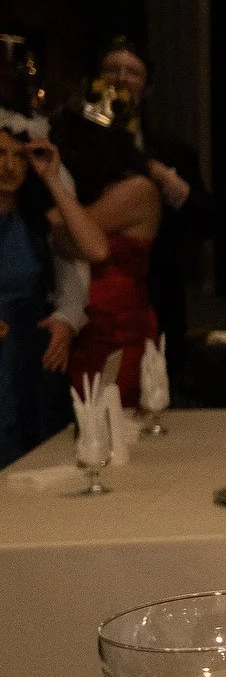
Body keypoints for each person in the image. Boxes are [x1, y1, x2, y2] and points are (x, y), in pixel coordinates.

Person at [0, 109, 111, 461]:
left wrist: (52, 180)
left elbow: (96, 249)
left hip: (29, 355)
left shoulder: (37, 221)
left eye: (19, 155)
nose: (9, 165)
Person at [97, 38, 210, 374]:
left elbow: (205, 220)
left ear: (146, 87)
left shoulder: (173, 150)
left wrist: (177, 188)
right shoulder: (74, 142)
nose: (121, 78)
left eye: (132, 72)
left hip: (159, 296)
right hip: (94, 296)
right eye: (112, 70)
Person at [49, 117, 159, 408]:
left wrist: (51, 202)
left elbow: (81, 241)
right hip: (85, 323)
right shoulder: (87, 194)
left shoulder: (137, 189)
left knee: (114, 411)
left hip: (118, 325)